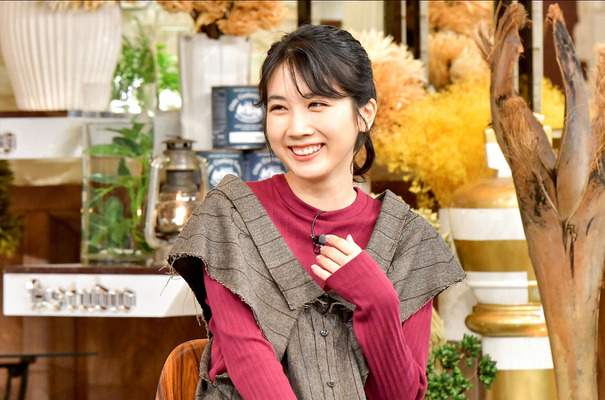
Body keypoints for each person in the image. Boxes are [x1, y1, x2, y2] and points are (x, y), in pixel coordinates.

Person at [168, 24, 465, 400]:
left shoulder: (410, 241)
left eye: (317, 104)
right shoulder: (231, 217)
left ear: (365, 113)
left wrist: (378, 300)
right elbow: (250, 364)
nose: (296, 128)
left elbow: (399, 396)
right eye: (279, 108)